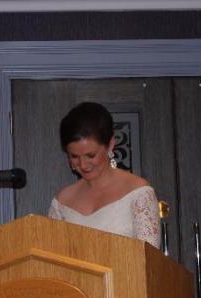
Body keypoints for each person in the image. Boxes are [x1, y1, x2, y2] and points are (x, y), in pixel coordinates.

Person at [48, 102, 161, 248]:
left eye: (91, 155)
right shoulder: (62, 202)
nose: (83, 164)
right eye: (74, 156)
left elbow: (149, 258)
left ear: (111, 144)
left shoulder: (138, 193)